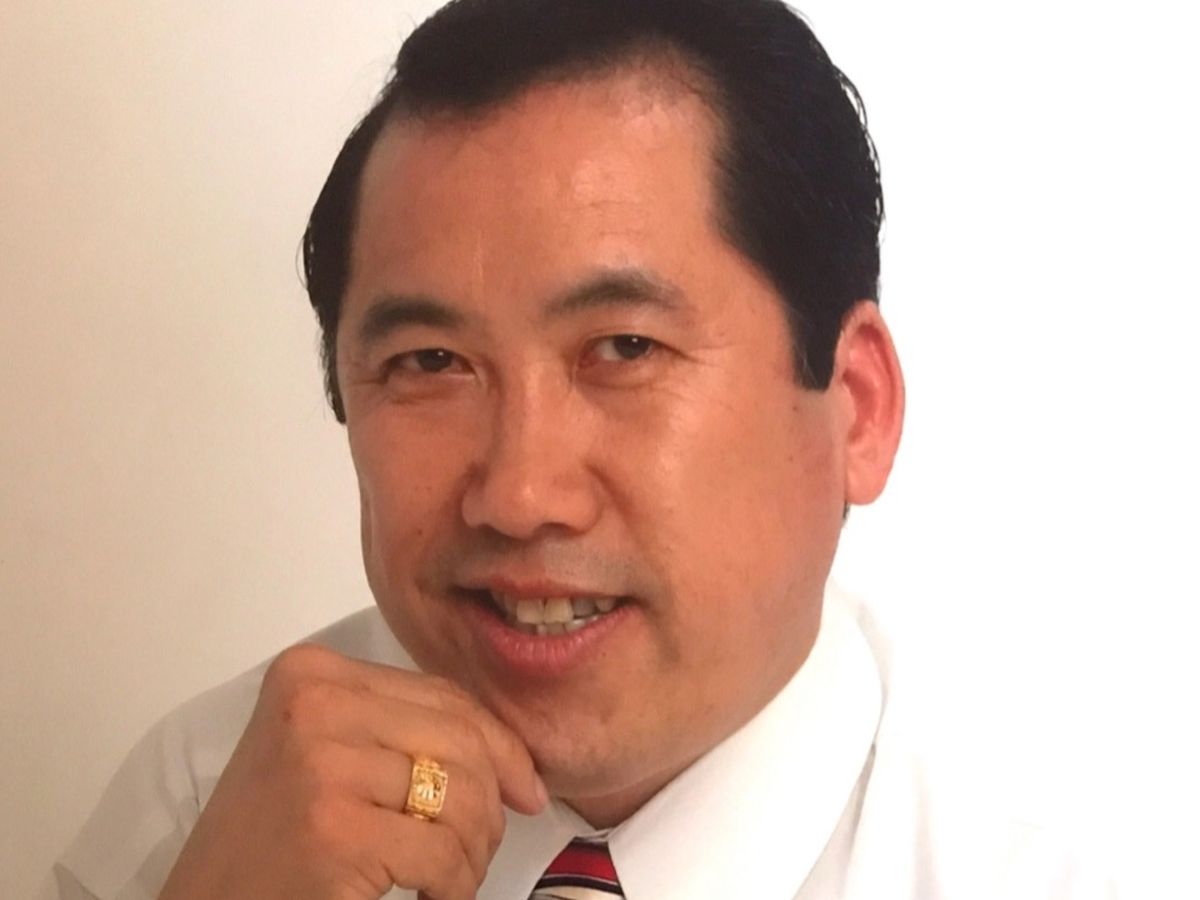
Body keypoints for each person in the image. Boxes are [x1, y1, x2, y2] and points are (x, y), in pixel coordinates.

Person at [43, 0, 1117, 898]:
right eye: (429, 362)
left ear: (860, 410)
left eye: (624, 348)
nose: (519, 494)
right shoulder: (208, 806)